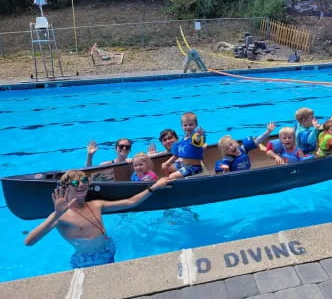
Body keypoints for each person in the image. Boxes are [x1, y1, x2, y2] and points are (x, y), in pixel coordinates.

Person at [24, 170, 173, 268]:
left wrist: (154, 187)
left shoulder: (96, 204)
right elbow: (29, 241)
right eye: (75, 183)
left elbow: (131, 202)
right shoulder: (61, 215)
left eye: (84, 180)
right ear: (65, 188)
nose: (81, 184)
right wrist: (56, 214)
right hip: (88, 260)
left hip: (109, 248)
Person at [161, 112, 206, 179]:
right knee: (168, 168)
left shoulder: (195, 136)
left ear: (196, 125)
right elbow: (176, 155)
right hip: (183, 165)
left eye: (191, 125)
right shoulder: (183, 139)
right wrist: (167, 163)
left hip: (193, 167)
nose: (188, 127)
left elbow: (197, 141)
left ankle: (170, 180)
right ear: (182, 126)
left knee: (172, 176)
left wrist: (199, 136)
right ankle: (171, 181)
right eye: (185, 125)